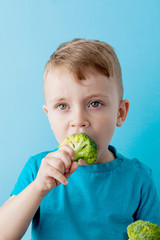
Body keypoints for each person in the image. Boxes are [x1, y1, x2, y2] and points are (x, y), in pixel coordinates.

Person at [0, 39, 160, 240]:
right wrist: (38, 188)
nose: (78, 121)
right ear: (49, 115)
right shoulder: (37, 170)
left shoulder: (138, 178)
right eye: (63, 106)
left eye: (95, 103)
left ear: (120, 112)